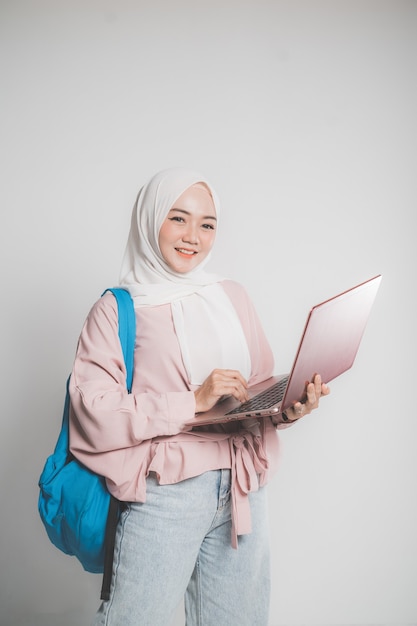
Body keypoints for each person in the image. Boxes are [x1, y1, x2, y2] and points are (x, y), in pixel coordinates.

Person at [69, 167, 330, 626]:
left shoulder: (231, 296)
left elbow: (257, 388)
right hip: (167, 494)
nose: (193, 236)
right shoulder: (117, 308)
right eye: (178, 218)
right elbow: (93, 412)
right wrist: (192, 400)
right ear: (150, 220)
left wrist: (287, 409)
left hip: (243, 487)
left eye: (207, 224)